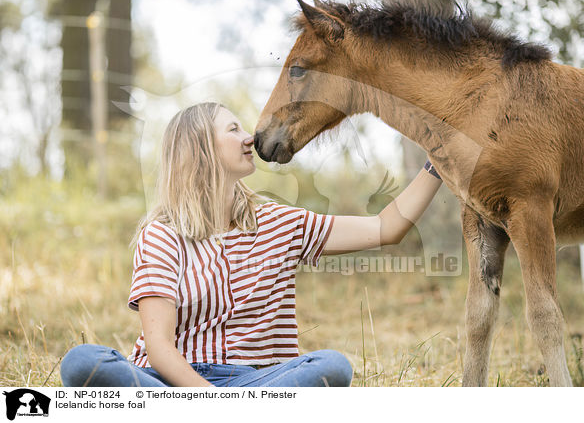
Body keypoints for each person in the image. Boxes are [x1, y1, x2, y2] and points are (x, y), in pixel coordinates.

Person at [60, 102, 442, 387]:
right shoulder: (162, 235)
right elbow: (159, 349)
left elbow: (385, 227)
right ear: (201, 151)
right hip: (168, 383)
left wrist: (441, 159)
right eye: (233, 129)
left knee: (331, 367)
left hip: (254, 384)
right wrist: (208, 402)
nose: (249, 137)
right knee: (83, 363)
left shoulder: (281, 223)